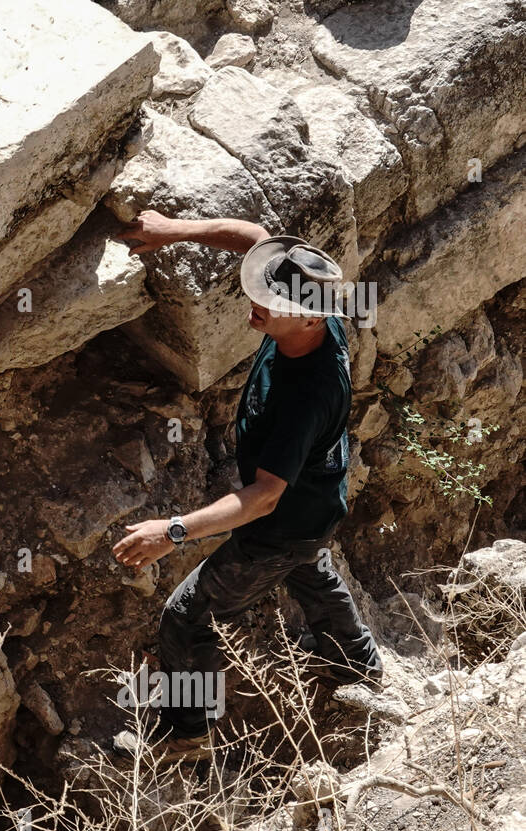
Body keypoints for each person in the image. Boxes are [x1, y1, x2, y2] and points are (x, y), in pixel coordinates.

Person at [109, 210, 383, 760]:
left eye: (270, 305)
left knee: (187, 621)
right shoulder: (307, 297)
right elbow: (254, 239)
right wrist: (172, 229)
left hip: (279, 522)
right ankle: (355, 663)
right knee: (309, 565)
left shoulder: (306, 396)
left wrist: (174, 530)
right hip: (317, 499)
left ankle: (188, 733)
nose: (254, 304)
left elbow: (263, 498)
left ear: (309, 321)